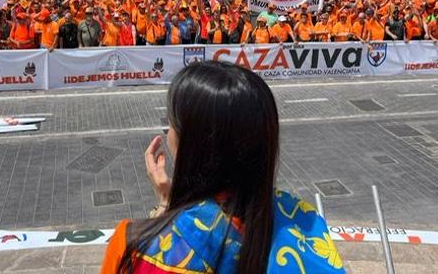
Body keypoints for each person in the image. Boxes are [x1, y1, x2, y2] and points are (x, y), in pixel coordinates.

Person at [100, 61, 344, 274]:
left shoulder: (135, 246)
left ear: (192, 142)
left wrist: (165, 209)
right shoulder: (306, 223)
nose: (168, 132)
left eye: (172, 124)